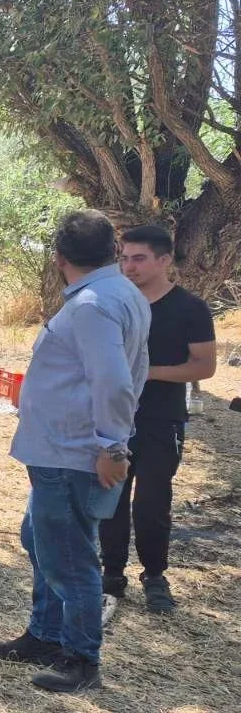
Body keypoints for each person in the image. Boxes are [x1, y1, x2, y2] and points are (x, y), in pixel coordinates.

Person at [0, 209, 148, 695]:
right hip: (60, 450)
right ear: (113, 252)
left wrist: (110, 445)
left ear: (58, 258)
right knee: (39, 540)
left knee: (70, 557)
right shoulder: (120, 293)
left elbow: (115, 380)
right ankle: (45, 632)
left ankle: (80, 658)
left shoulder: (93, 305)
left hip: (74, 451)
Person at [100, 225, 216, 616]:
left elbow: (205, 366)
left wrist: (146, 372)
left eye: (139, 258)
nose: (128, 267)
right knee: (110, 497)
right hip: (115, 418)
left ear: (164, 260)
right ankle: (112, 574)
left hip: (161, 419)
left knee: (151, 502)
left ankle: (154, 576)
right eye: (123, 258)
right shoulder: (114, 302)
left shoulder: (190, 308)